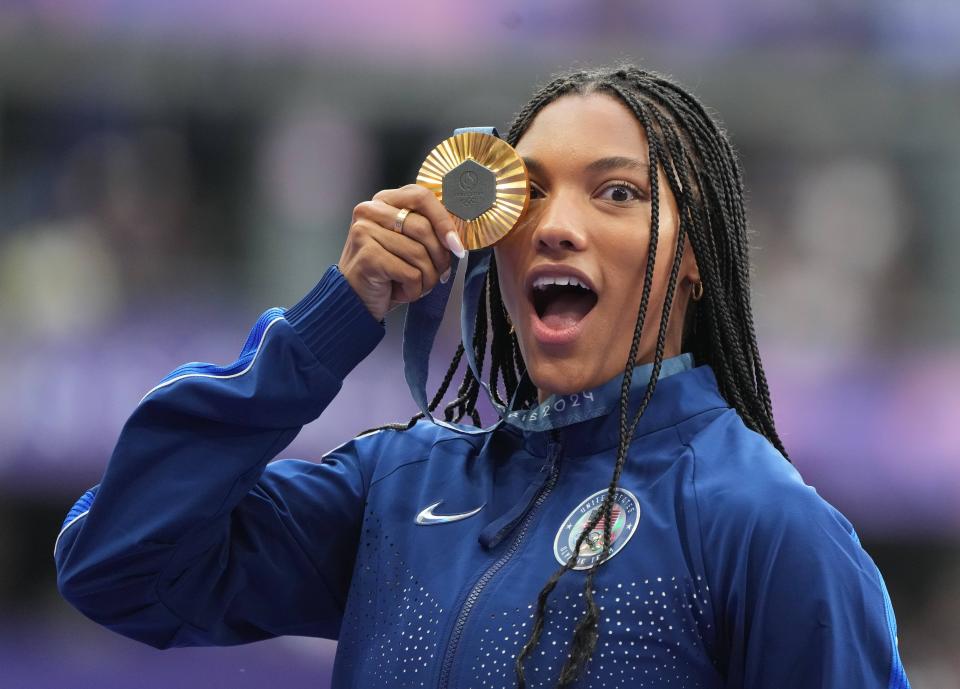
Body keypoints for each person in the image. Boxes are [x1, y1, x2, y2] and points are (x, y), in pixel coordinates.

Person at [54, 65, 910, 689]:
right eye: (528, 194)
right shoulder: (394, 490)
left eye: (616, 193)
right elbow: (115, 564)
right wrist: (326, 328)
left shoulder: (763, 524)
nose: (557, 226)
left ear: (692, 257)